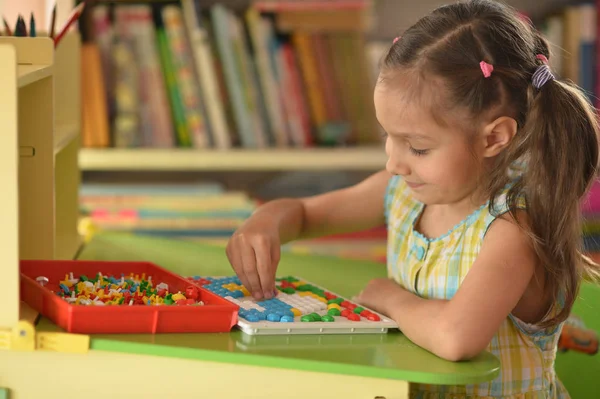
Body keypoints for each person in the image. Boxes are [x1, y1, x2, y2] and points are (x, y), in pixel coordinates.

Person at [225, 0, 600, 397]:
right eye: (389, 136)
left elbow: (456, 337)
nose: (394, 163)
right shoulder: (404, 194)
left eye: (417, 147)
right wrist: (265, 221)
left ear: (494, 137)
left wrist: (388, 297)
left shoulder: (514, 229)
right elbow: (303, 213)